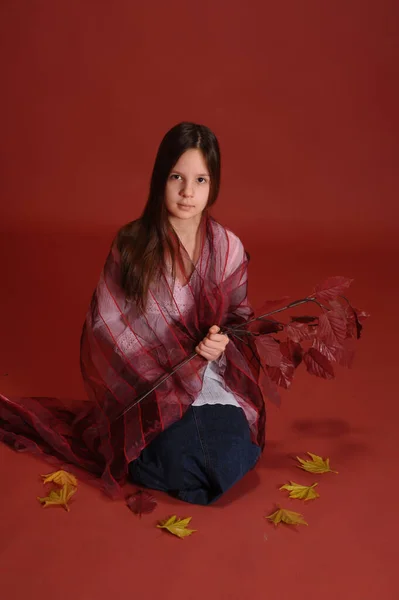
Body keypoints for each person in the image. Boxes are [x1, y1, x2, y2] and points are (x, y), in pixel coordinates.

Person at [0, 122, 265, 504]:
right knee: (185, 457)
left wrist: (220, 343)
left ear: (214, 185)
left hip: (208, 380)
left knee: (230, 454)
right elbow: (105, 328)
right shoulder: (132, 244)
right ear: (161, 178)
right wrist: (166, 359)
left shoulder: (228, 247)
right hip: (151, 385)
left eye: (201, 180)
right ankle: (160, 460)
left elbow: (240, 318)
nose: (188, 192)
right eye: (177, 177)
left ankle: (176, 463)